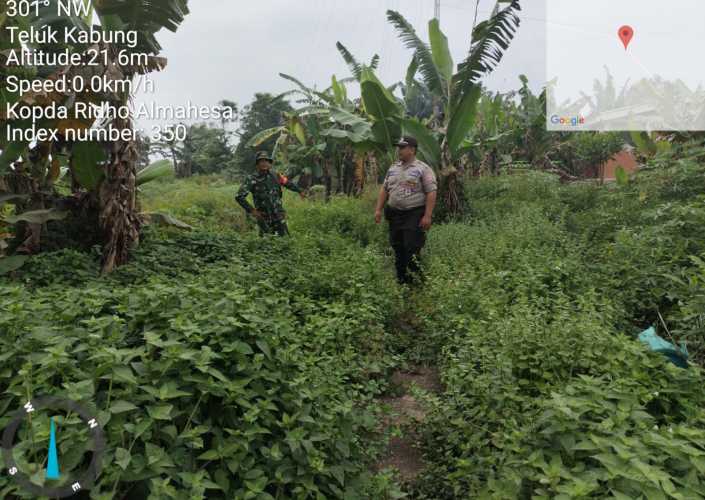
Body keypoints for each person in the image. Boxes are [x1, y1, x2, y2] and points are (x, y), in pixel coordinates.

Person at [375, 136, 437, 285]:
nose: (399, 150)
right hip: (395, 213)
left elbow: (431, 191)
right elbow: (384, 189)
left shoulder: (422, 168)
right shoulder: (393, 168)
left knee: (412, 248)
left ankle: (417, 283)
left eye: (403, 147)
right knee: (397, 247)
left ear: (412, 150)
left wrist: (427, 216)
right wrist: (378, 209)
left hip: (414, 214)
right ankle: (401, 280)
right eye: (399, 147)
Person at [236, 151, 305, 236]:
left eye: (266, 161)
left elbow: (287, 183)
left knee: (285, 239)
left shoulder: (276, 175)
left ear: (270, 163)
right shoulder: (251, 179)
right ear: (257, 164)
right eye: (261, 161)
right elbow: (239, 197)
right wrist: (252, 211)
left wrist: (300, 190)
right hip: (264, 217)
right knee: (267, 242)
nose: (264, 163)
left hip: (279, 215)